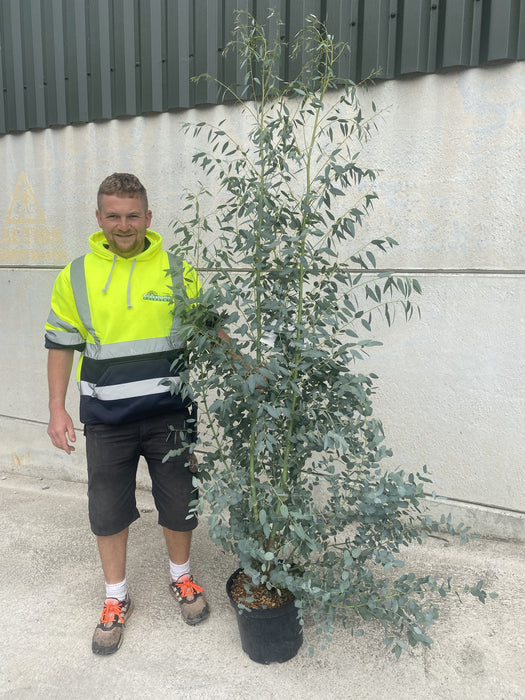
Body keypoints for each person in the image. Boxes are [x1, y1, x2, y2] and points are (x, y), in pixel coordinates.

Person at [45, 173, 210, 655]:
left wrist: (250, 372)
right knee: (107, 511)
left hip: (170, 418)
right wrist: (57, 409)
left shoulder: (177, 270)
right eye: (113, 215)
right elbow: (60, 345)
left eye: (132, 215)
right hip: (107, 421)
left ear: (148, 218)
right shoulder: (76, 275)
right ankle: (116, 597)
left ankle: (182, 579)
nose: (123, 225)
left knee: (180, 502)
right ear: (98, 219)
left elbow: (210, 328)